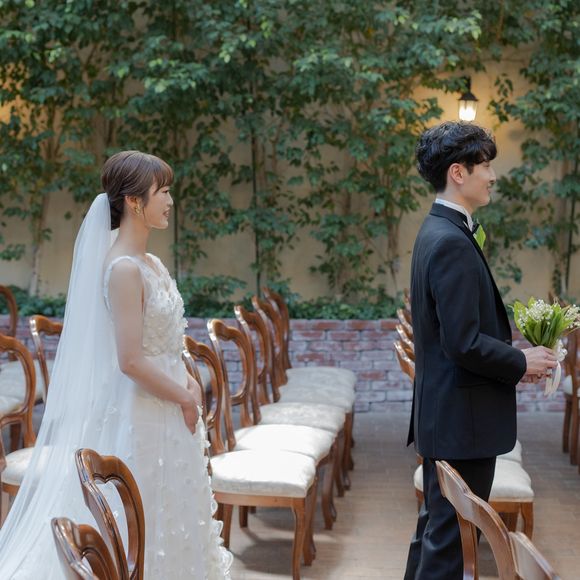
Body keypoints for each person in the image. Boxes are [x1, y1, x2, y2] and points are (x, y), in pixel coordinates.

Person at [0, 151, 233, 579]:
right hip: (143, 411)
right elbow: (129, 360)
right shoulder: (124, 269)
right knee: (147, 514)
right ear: (133, 201)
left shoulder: (151, 263)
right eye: (163, 191)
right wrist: (185, 397)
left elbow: (165, 339)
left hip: (170, 403)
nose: (170, 201)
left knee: (177, 512)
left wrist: (187, 377)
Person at [403, 122, 557, 580]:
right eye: (485, 165)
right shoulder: (450, 241)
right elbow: (462, 342)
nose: (492, 175)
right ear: (458, 172)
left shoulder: (438, 230)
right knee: (448, 545)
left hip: (448, 415)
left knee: (435, 535)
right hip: (461, 421)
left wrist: (518, 362)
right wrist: (521, 361)